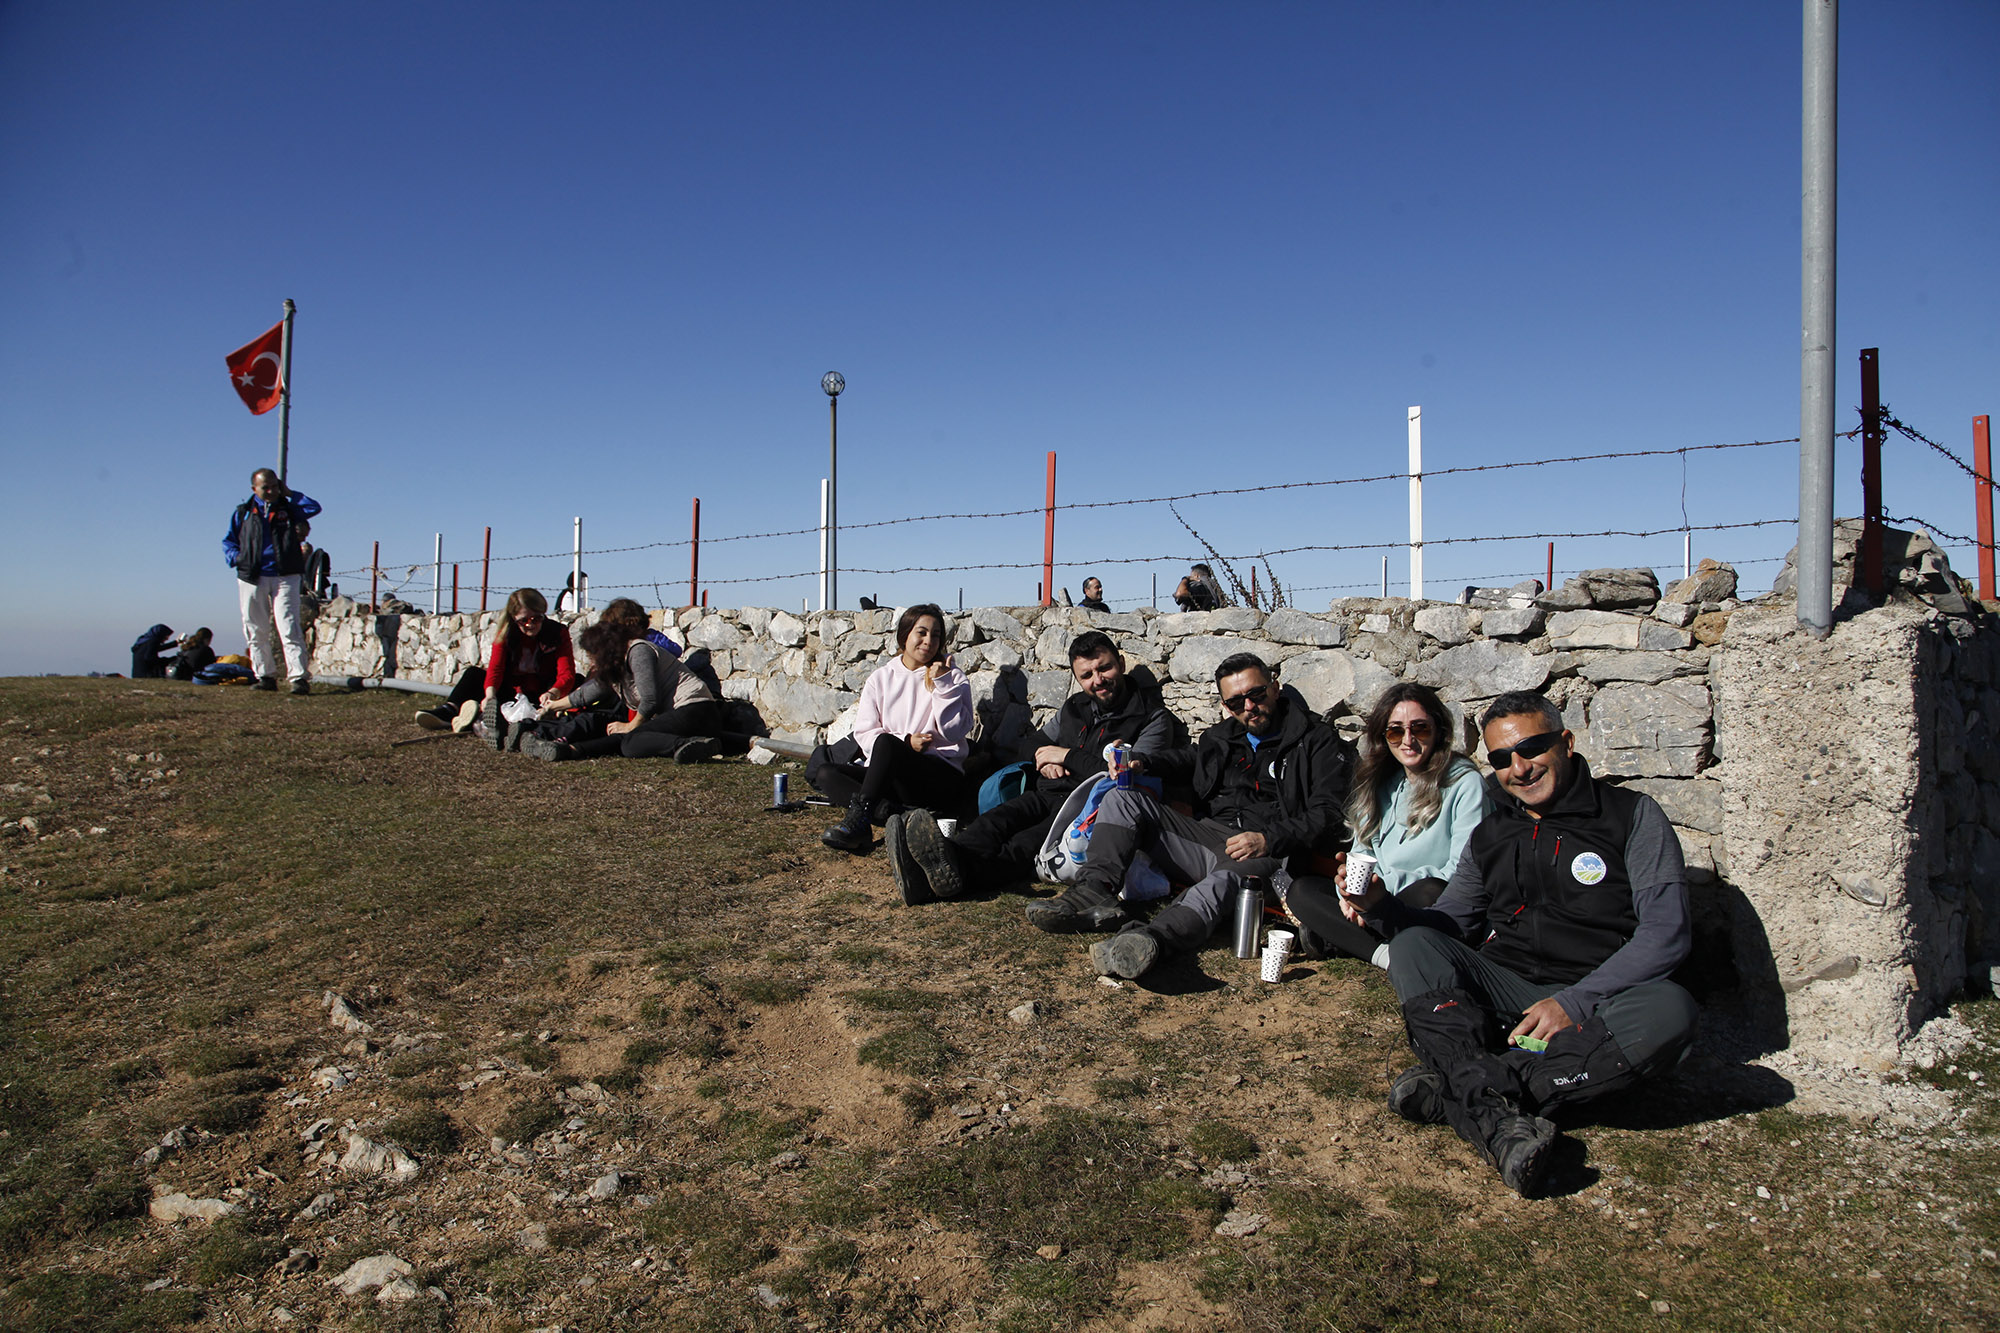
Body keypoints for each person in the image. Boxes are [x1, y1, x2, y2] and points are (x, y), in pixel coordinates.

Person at [1343, 691, 1697, 1198]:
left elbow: (1667, 934)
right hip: (1506, 995)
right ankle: (1495, 1103)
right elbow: (1451, 923)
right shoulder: (1493, 832)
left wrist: (1573, 1001)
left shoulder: (1632, 817)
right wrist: (1380, 906)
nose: (1520, 768)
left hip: (1593, 1002)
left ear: (1566, 743)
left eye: (1532, 748)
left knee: (1671, 1009)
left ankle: (1463, 1088)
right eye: (1503, 758)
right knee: (1417, 943)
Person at [1034, 653, 1353, 978]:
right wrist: (1142, 762)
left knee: (1226, 879)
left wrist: (1268, 839)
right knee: (1121, 797)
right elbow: (1187, 759)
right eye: (1236, 701)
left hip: (1269, 851)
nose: (1249, 707)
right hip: (1209, 836)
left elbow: (1327, 812)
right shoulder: (1223, 737)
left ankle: (1153, 939)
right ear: (1226, 705)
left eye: (1256, 694)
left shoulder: (1315, 740)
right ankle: (1093, 893)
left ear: (1275, 688)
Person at [887, 630, 1184, 905]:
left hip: (1085, 811)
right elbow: (1030, 744)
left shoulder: (1151, 718)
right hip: (1047, 791)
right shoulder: (1075, 707)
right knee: (991, 823)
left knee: (1021, 848)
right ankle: (940, 863)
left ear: (1120, 663)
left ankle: (939, 878)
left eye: (1104, 668)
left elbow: (1124, 777)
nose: (1098, 680)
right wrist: (1044, 761)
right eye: (1087, 675)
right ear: (1077, 678)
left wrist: (1065, 756)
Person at [1281, 683, 1489, 967]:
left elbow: (1461, 871)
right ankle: (1385, 953)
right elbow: (1362, 852)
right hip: (1375, 896)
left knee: (1432, 889)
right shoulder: (1382, 782)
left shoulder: (1464, 783)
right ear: (1383, 736)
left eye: (1420, 728)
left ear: (1438, 730)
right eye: (1395, 731)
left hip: (1421, 897)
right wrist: (1349, 892)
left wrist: (1375, 895)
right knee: (1303, 892)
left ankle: (1340, 937)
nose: (1408, 740)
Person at [816, 604, 973, 853]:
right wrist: (906, 741)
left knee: (887, 742)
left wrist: (943, 684)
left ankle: (861, 817)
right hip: (893, 777)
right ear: (905, 635)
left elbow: (953, 732)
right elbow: (865, 733)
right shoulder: (881, 678)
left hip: (938, 775)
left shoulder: (952, 677)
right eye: (921, 633)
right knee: (825, 773)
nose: (928, 641)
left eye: (935, 635)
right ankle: (899, 816)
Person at [520, 598, 720, 762]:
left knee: (630, 741)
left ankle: (684, 745)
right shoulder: (616, 665)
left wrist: (631, 726)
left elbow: (650, 700)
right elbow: (587, 694)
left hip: (694, 709)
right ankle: (568, 750)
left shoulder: (638, 651)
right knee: (622, 735)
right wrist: (552, 706)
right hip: (683, 715)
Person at [412, 588, 580, 744]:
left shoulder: (557, 633)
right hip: (510, 690)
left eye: (536, 618)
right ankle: (450, 711)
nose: (530, 624)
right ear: (513, 618)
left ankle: (478, 718)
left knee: (579, 681)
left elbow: (566, 673)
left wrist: (553, 692)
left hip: (542, 692)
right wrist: (490, 695)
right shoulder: (507, 634)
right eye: (523, 620)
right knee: (473, 674)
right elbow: (496, 668)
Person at [222, 467, 322, 694]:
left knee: (288, 625)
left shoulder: (289, 508)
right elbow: (229, 540)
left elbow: (313, 507)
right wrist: (237, 559)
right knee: (254, 627)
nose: (270, 491)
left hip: (285, 574)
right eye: (265, 487)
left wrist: (290, 493)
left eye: (274, 486)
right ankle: (265, 676)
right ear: (254, 489)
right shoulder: (243, 512)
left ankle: (298, 678)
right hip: (252, 575)